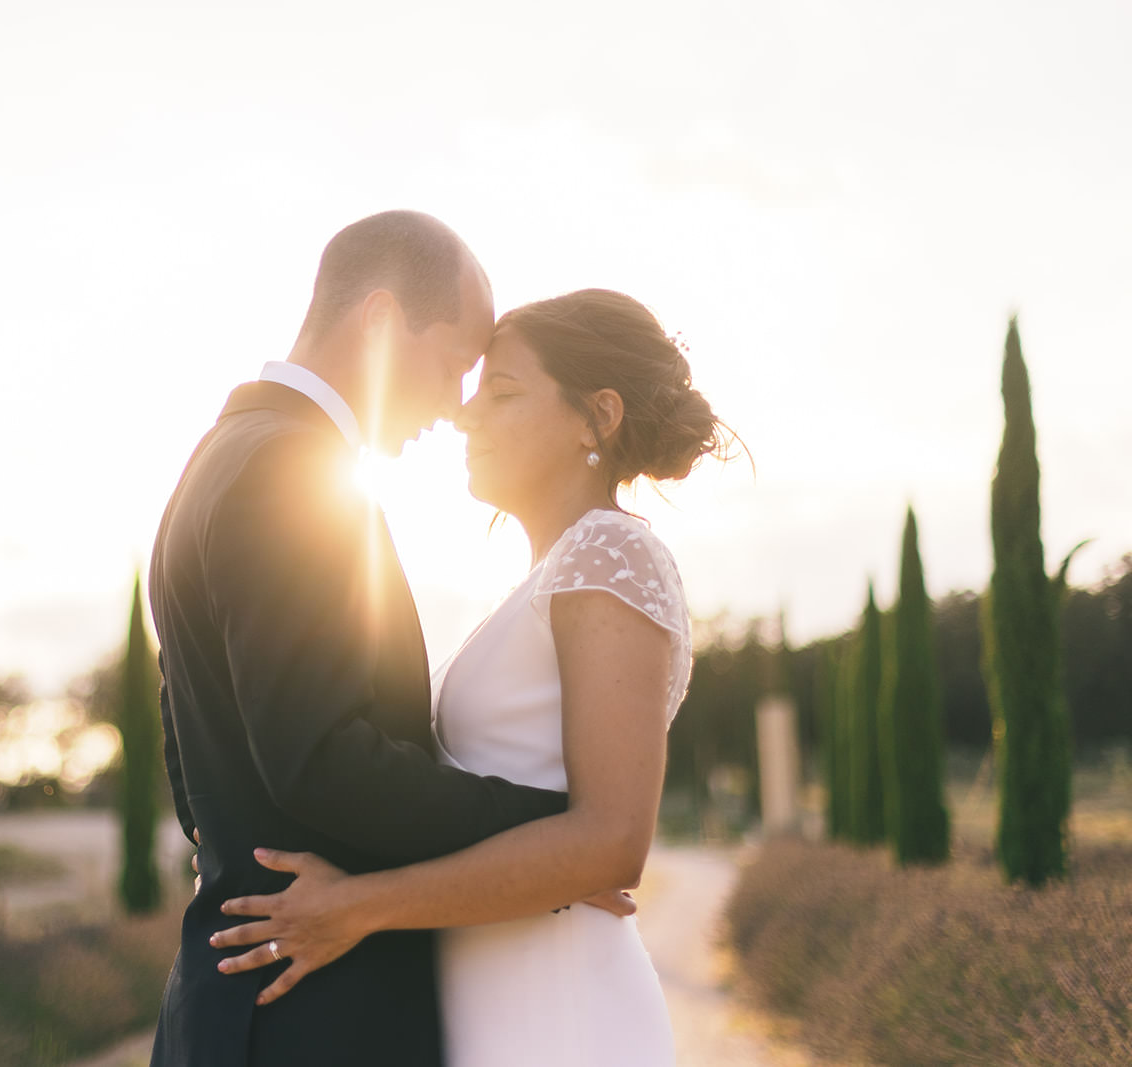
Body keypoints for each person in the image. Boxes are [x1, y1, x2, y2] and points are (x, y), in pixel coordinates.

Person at [146, 213, 634, 1067]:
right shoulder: (290, 471)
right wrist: (556, 833)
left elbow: (187, 753)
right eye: (452, 365)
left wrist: (237, 858)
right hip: (316, 1019)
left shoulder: (217, 458)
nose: (455, 405)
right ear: (378, 322)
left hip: (234, 1005)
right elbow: (322, 758)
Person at [209, 288, 729, 1066]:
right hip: (483, 995)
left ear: (600, 416)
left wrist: (358, 907)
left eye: (503, 391)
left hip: (558, 1006)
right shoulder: (542, 580)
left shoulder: (609, 555)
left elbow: (613, 840)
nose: (465, 412)